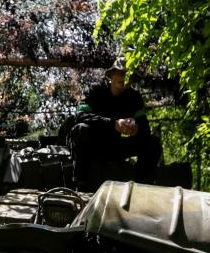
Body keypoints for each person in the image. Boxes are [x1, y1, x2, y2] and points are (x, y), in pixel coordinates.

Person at [69, 59, 162, 190]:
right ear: (111, 75)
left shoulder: (134, 97)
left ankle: (143, 185)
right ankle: (81, 183)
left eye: (126, 74)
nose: (123, 77)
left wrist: (135, 129)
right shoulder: (96, 91)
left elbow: (144, 127)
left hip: (120, 146)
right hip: (97, 145)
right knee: (80, 129)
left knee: (153, 142)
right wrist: (113, 124)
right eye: (119, 73)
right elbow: (80, 116)